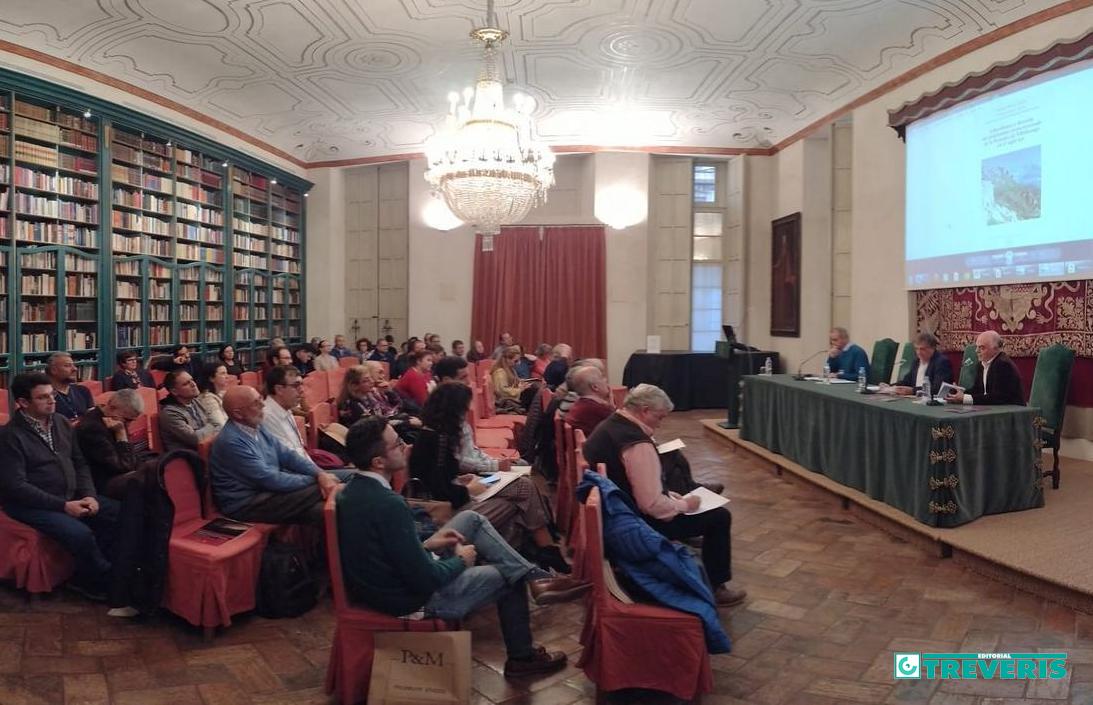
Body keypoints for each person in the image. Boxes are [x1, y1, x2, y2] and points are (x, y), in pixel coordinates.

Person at [339, 416, 588, 677]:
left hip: (390, 582)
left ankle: (537, 579)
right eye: (397, 443)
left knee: (471, 518)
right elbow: (426, 579)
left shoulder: (353, 489)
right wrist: (461, 561)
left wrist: (428, 544)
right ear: (378, 462)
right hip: (410, 599)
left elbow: (387, 548)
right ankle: (522, 656)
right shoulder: (387, 504)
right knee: (507, 574)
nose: (404, 446)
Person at [582, 384, 746, 606]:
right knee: (719, 517)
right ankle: (716, 588)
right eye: (660, 417)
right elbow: (653, 506)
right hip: (637, 524)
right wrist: (686, 505)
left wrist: (670, 495)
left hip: (617, 513)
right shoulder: (636, 443)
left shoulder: (610, 425)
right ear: (645, 410)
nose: (661, 423)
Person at [0, 373, 131, 609]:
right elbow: (16, 487)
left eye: (51, 395)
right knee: (80, 533)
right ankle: (102, 580)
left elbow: (79, 462)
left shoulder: (60, 422)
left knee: (119, 513)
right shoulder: (10, 436)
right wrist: (63, 506)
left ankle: (88, 575)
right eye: (43, 397)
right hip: (30, 505)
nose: (52, 401)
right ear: (23, 403)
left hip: (71, 495)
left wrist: (89, 494)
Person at [410, 383, 567, 572]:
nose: (467, 411)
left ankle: (538, 557)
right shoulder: (436, 440)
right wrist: (467, 488)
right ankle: (544, 554)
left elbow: (443, 478)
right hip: (449, 513)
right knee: (520, 496)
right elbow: (440, 491)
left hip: (461, 494)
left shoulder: (438, 435)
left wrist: (462, 481)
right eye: (464, 407)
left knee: (522, 491)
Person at [209, 385, 343, 526]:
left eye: (260, 398)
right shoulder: (231, 442)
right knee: (336, 492)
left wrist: (320, 474)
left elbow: (287, 455)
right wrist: (318, 479)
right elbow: (270, 479)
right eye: (256, 403)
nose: (263, 405)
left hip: (269, 493)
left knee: (338, 489)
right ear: (238, 414)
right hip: (248, 504)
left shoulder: (256, 426)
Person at [434, 355, 520, 475]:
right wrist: (495, 465)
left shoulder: (455, 405)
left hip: (476, 469)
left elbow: (471, 449)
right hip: (467, 479)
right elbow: (458, 462)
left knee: (522, 465)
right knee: (524, 485)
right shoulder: (442, 412)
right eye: (463, 377)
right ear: (447, 380)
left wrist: (494, 461)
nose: (469, 381)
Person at [75, 389, 149, 498]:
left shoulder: (114, 421)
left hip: (118, 475)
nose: (128, 425)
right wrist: (121, 435)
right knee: (146, 481)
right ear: (112, 407)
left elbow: (131, 460)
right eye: (127, 420)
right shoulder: (92, 428)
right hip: (102, 482)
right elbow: (123, 467)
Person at [944, 330, 1025, 405]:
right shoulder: (981, 364)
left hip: (1011, 411)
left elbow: (998, 397)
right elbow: (977, 390)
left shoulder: (1003, 364)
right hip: (992, 409)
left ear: (995, 349)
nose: (976, 351)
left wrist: (964, 398)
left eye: (981, 347)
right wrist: (958, 393)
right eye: (977, 347)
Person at [158, 370, 222, 453]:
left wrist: (213, 426)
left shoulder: (195, 401)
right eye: (186, 384)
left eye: (192, 380)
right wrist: (213, 426)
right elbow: (195, 439)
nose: (193, 384)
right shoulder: (170, 413)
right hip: (188, 458)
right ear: (174, 391)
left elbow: (217, 424)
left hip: (208, 449)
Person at [261, 365, 311, 459]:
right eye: (296, 385)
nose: (301, 390)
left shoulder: (286, 410)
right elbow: (288, 459)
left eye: (301, 385)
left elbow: (299, 449)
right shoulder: (267, 416)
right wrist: (319, 473)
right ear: (279, 389)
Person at [888, 332, 954, 396]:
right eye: (917, 349)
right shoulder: (916, 362)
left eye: (922, 349)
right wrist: (890, 386)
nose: (919, 352)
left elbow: (937, 389)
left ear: (932, 348)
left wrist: (913, 391)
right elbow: (906, 381)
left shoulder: (942, 362)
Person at [564, 364, 614, 436]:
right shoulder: (596, 409)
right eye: (602, 377)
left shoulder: (580, 404)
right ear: (595, 387)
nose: (606, 380)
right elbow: (625, 428)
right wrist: (612, 408)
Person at [47, 353, 93, 422]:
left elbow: (93, 417)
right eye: (67, 366)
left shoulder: (83, 391)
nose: (75, 369)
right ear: (54, 370)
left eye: (74, 365)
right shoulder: (46, 395)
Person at [490, 346, 528, 413]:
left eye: (519, 360)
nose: (518, 363)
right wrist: (520, 389)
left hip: (512, 398)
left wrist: (521, 384)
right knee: (532, 392)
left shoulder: (510, 369)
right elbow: (502, 391)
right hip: (504, 402)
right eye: (516, 361)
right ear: (508, 359)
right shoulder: (500, 372)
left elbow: (514, 383)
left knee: (533, 389)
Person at [195, 361, 230, 428]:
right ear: (211, 378)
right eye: (223, 373)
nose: (227, 376)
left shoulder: (221, 393)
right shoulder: (207, 399)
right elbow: (220, 424)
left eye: (226, 373)